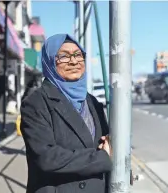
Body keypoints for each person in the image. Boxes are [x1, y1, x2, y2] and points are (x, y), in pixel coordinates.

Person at [20, 34, 112, 193]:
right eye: (63, 56)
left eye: (78, 55)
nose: (74, 61)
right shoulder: (36, 103)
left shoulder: (92, 102)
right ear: (49, 61)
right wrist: (102, 158)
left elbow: (106, 143)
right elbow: (47, 158)